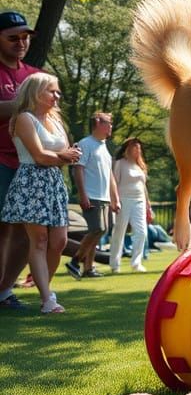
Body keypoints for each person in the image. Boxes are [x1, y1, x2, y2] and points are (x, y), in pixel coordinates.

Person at [0, 73, 81, 312]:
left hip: (54, 183)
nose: (57, 96)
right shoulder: (24, 118)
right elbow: (39, 156)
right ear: (35, 92)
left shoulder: (56, 121)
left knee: (59, 242)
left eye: (57, 91)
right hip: (31, 183)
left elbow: (67, 153)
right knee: (39, 241)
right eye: (51, 91)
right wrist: (63, 157)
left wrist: (63, 157)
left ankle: (43, 288)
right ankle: (48, 300)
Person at [0, 11, 40, 310]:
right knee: (2, 228)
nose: (21, 42)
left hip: (28, 163)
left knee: (29, 230)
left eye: (25, 37)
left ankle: (3, 291)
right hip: (0, 160)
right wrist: (18, 107)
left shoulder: (34, 76)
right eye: (13, 37)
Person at [67, 111, 118, 279]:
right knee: (98, 229)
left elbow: (109, 174)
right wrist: (83, 195)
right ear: (97, 123)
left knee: (100, 232)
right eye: (108, 123)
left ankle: (88, 268)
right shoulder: (85, 143)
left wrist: (115, 198)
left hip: (104, 197)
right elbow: (78, 169)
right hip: (91, 195)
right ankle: (75, 261)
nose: (110, 126)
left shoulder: (104, 146)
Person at [109, 137, 152, 273]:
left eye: (139, 148)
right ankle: (115, 264)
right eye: (134, 147)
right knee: (119, 231)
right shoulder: (120, 163)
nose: (137, 150)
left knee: (141, 232)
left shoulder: (141, 166)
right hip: (124, 200)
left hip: (139, 201)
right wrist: (114, 200)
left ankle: (136, 263)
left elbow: (143, 187)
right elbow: (114, 182)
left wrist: (148, 205)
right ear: (128, 149)